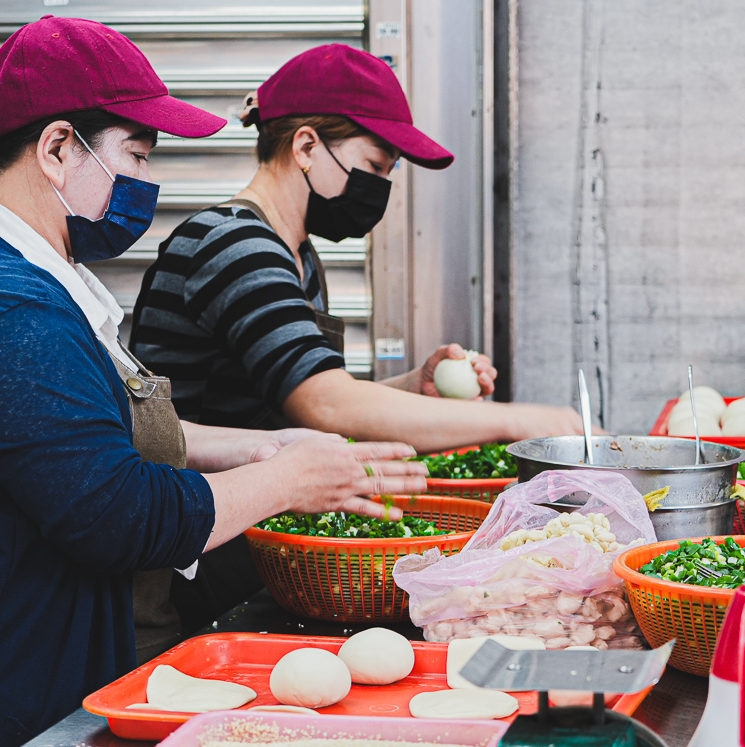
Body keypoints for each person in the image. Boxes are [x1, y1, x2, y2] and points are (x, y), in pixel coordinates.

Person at [0, 18, 424, 747]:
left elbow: (93, 435)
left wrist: (266, 447)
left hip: (16, 668)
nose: (146, 183)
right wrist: (289, 479)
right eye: (136, 155)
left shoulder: (35, 281)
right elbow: (120, 517)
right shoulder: (4, 312)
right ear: (55, 149)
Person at [129, 44, 581, 447]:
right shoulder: (236, 245)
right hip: (204, 523)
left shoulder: (294, 251)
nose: (382, 186)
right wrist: (526, 421)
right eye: (374, 165)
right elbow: (324, 405)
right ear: (305, 146)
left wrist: (414, 386)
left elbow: (300, 390)